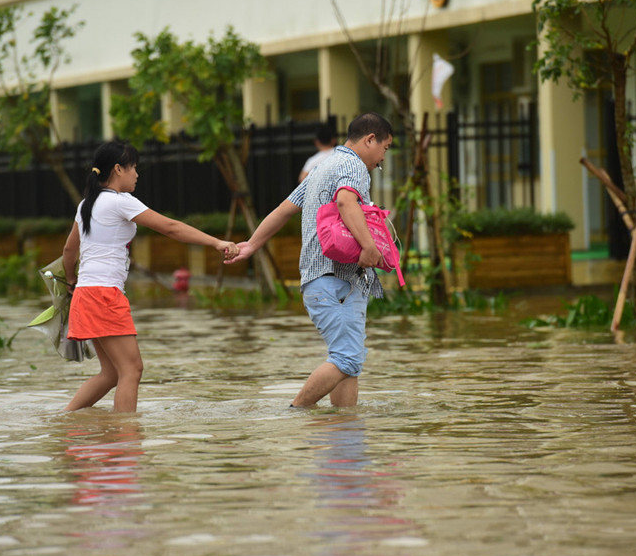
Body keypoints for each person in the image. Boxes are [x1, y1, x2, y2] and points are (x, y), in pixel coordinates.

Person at [227, 112, 393, 408]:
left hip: (323, 283)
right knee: (348, 358)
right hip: (336, 282)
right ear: (370, 140)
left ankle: (345, 428)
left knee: (348, 362)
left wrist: (252, 244)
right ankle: (296, 412)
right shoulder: (354, 165)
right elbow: (346, 201)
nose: (383, 158)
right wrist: (369, 247)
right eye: (385, 147)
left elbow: (284, 209)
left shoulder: (322, 166)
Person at [62, 140, 238, 413]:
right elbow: (170, 228)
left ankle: (64, 420)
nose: (137, 174)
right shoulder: (119, 202)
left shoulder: (87, 204)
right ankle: (126, 433)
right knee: (132, 369)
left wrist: (72, 280)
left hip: (86, 294)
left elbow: (69, 250)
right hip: (104, 295)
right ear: (118, 169)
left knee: (111, 374)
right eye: (133, 167)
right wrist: (217, 242)